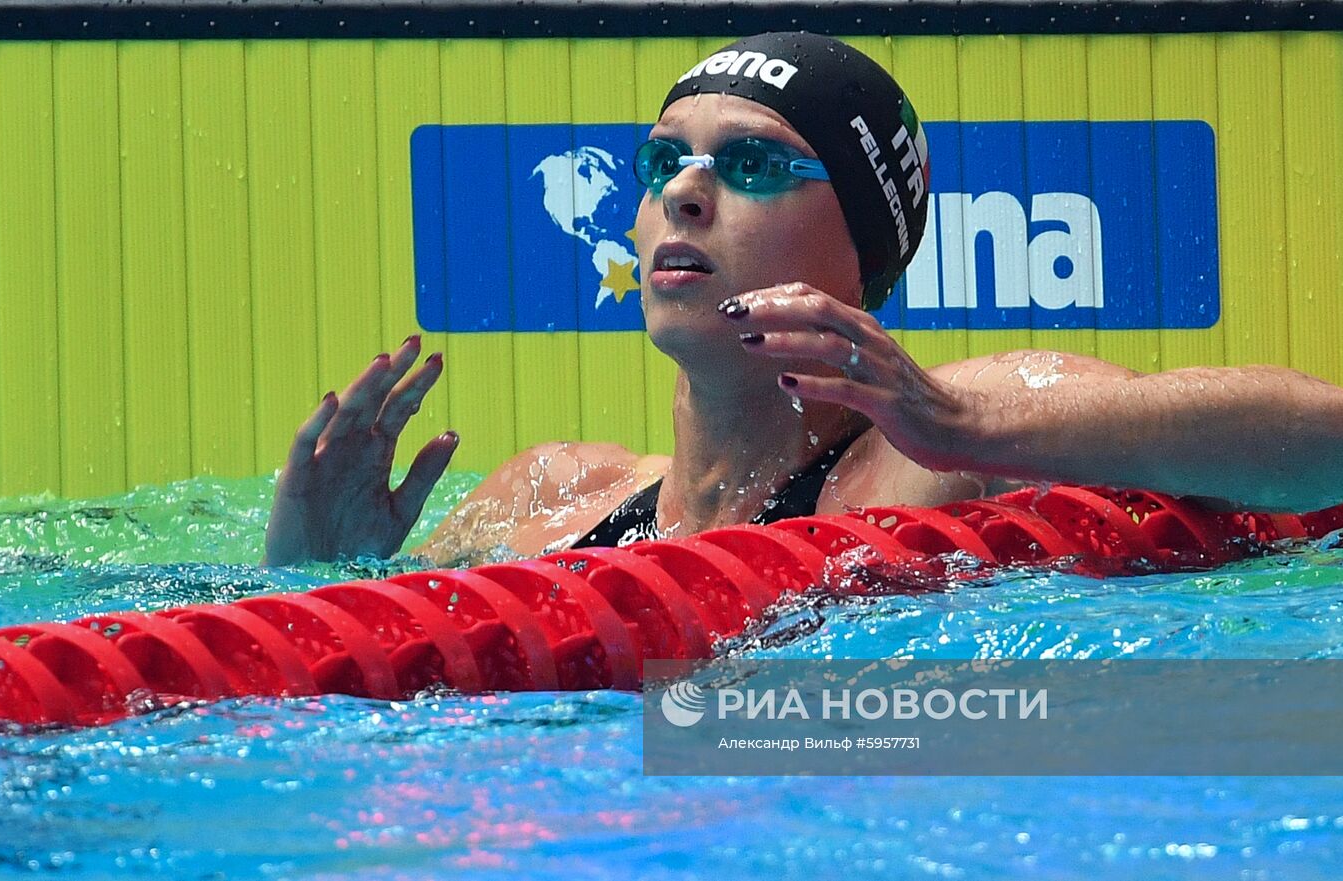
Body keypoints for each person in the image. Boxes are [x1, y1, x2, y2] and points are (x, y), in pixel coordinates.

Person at [263, 32, 1343, 567]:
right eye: (661, 164)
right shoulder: (546, 499)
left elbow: (1323, 443)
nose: (684, 191)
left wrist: (963, 419)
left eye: (755, 165)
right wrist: (313, 572)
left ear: (862, 255)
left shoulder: (951, 441)